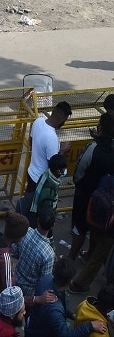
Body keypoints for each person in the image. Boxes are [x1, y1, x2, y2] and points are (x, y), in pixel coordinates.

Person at [69, 113, 114, 295]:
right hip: (106, 204)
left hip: (86, 196)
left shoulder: (92, 148)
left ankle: (71, 258)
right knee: (97, 231)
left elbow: (79, 173)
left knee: (79, 227)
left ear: (100, 128)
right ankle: (89, 255)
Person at [25, 257, 107, 337]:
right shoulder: (55, 310)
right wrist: (90, 326)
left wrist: (71, 314)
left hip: (34, 324)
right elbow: (65, 334)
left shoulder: (45, 279)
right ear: (69, 282)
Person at [27, 101, 72, 191]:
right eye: (65, 120)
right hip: (41, 182)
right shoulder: (52, 138)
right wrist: (63, 151)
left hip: (31, 173)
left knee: (29, 201)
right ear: (62, 118)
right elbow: (53, 167)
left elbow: (30, 142)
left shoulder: (38, 121)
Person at [11, 207, 56, 297]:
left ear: (38, 220)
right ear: (53, 225)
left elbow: (14, 251)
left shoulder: (26, 232)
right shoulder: (49, 254)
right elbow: (45, 280)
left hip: (15, 280)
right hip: (31, 293)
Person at [20, 154, 67, 229]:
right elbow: (46, 210)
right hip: (44, 221)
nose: (64, 171)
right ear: (58, 171)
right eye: (63, 169)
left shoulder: (46, 175)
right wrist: (49, 223)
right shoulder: (49, 189)